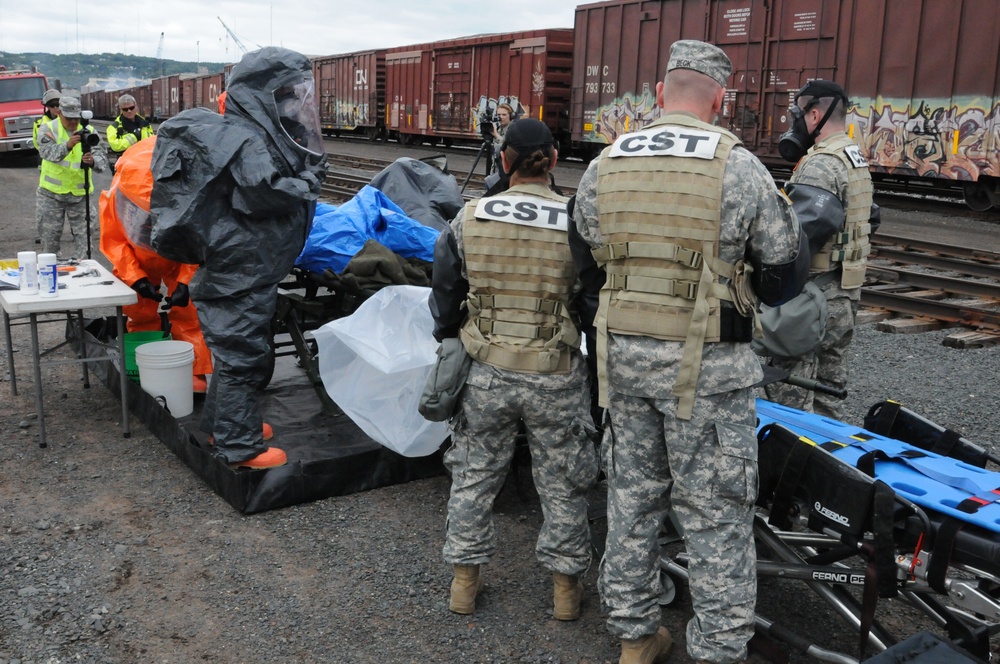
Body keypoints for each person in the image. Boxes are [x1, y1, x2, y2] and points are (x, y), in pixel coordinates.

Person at [570, 40, 808, 664]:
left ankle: (633, 636)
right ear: (719, 99)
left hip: (622, 367)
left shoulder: (606, 163)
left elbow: (584, 263)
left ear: (658, 93)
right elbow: (784, 272)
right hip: (709, 372)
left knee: (631, 498)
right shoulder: (741, 166)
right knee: (715, 515)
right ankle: (718, 651)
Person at [429, 118, 598, 620]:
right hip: (555, 372)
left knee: (474, 474)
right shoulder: (574, 221)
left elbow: (445, 294)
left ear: (503, 161)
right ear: (554, 158)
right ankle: (565, 593)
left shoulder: (468, 218)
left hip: (486, 371)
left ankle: (464, 583)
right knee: (564, 480)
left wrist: (451, 335)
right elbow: (592, 301)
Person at [149, 47, 327, 470]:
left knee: (236, 354)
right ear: (260, 95)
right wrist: (308, 181)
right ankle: (238, 446)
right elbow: (263, 191)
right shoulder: (245, 138)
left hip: (242, 265)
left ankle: (222, 422)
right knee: (242, 358)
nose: (292, 103)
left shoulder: (245, 134)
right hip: (240, 271)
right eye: (284, 94)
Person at [764, 80, 874, 419]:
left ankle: (793, 461)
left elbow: (799, 235)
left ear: (814, 115)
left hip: (816, 296)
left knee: (791, 389)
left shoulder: (821, 163)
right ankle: (830, 460)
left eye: (798, 114)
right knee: (828, 388)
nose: (795, 122)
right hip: (846, 291)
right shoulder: (854, 157)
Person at [98, 136, 214, 393]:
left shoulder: (191, 198)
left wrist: (185, 282)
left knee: (188, 313)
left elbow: (199, 241)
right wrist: (136, 278)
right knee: (140, 312)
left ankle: (194, 373)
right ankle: (144, 367)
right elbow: (115, 241)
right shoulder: (117, 199)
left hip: (178, 253)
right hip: (138, 258)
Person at [36, 95, 108, 259]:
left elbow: (102, 159)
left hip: (80, 195)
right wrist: (67, 146)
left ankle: (84, 274)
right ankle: (53, 274)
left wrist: (93, 162)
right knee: (49, 241)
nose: (73, 122)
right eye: (69, 118)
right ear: (59, 113)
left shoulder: (89, 132)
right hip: (51, 195)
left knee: (85, 243)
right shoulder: (48, 129)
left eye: (76, 118)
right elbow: (46, 153)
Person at [33, 89, 62, 245]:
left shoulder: (71, 121)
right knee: (46, 206)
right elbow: (40, 145)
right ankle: (45, 234)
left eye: (58, 104)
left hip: (69, 171)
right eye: (52, 105)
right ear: (47, 107)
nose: (56, 108)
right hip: (48, 168)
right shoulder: (40, 124)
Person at [106, 93, 155, 171]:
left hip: (145, 165)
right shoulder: (114, 127)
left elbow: (152, 143)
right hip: (126, 166)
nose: (129, 111)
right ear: (120, 109)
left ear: (136, 106)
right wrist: (134, 136)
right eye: (125, 109)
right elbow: (115, 146)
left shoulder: (145, 124)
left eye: (131, 108)